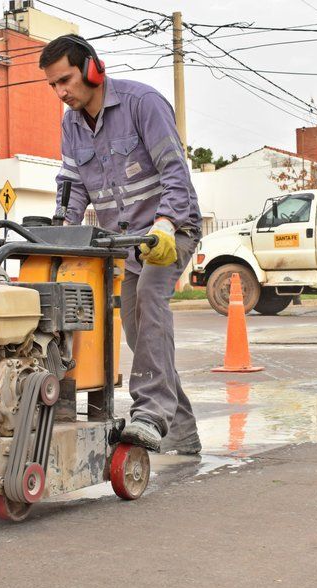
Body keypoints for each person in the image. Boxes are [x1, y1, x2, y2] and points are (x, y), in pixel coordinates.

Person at [39, 34, 203, 454]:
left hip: (171, 232)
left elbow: (175, 174)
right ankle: (183, 436)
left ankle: (150, 413)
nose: (61, 92)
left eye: (66, 80)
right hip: (128, 246)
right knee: (136, 329)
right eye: (53, 85)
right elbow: (73, 185)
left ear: (92, 68)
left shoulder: (142, 104)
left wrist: (166, 223)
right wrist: (60, 229)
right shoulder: (70, 125)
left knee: (151, 298)